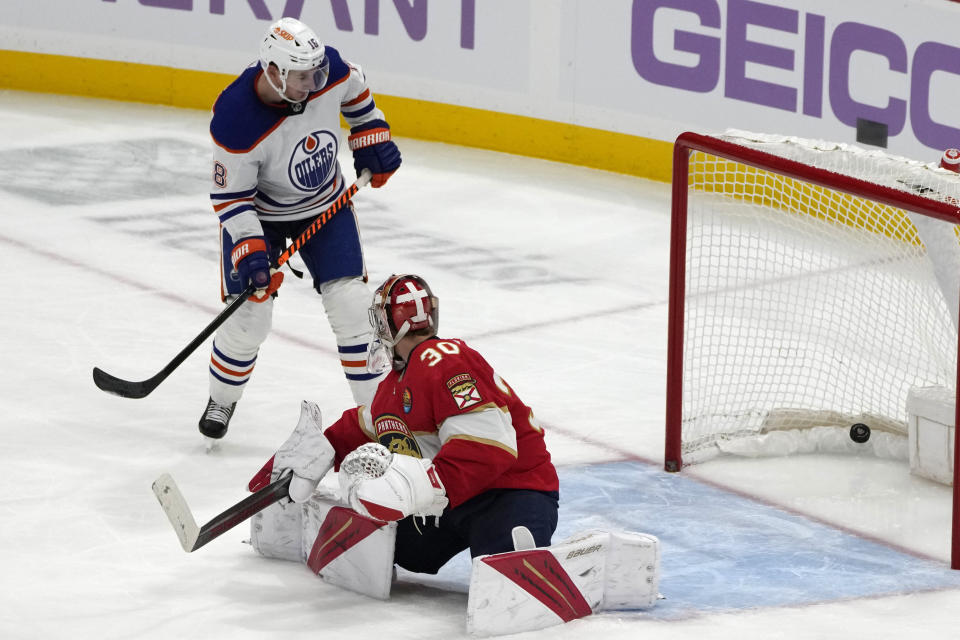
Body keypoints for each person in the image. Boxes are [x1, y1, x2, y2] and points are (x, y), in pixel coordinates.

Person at [248, 273, 560, 573]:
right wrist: (313, 454)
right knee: (398, 546)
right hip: (454, 500)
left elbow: (488, 449)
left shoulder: (445, 360)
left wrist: (416, 486)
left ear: (387, 323)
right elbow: (361, 428)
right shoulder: (398, 382)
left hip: (510, 492)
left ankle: (525, 554)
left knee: (506, 570)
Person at [199, 17, 401, 440]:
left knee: (353, 307)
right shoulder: (236, 117)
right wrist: (252, 250)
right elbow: (231, 198)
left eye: (316, 73)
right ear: (273, 72)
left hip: (326, 204)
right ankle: (222, 398)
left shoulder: (325, 69)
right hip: (261, 216)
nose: (314, 83)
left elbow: (355, 85)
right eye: (302, 77)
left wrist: (369, 130)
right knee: (250, 315)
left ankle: (380, 418)